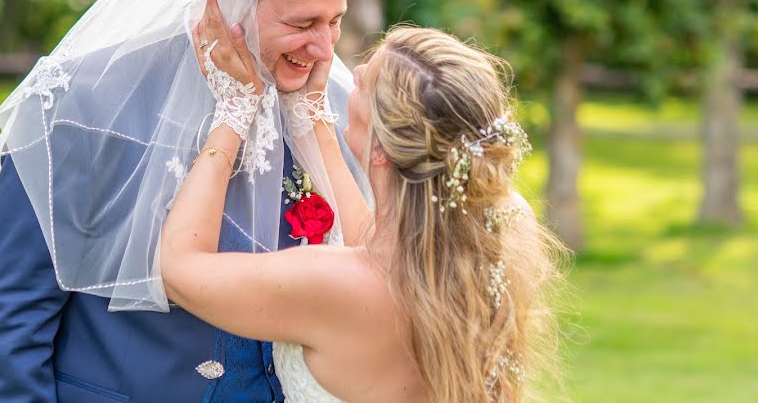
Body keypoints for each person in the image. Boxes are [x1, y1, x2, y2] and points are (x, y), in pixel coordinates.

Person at [0, 0, 369, 402]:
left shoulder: (328, 102)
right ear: (230, 0)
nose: (324, 48)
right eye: (303, 23)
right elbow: (13, 316)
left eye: (335, 21)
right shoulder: (80, 102)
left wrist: (314, 125)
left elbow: (376, 276)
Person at [161, 21, 568, 402]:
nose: (352, 74)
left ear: (380, 151)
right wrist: (316, 117)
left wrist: (234, 109)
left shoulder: (325, 282)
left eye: (368, 82)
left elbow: (180, 270)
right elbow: (374, 238)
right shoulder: (502, 229)